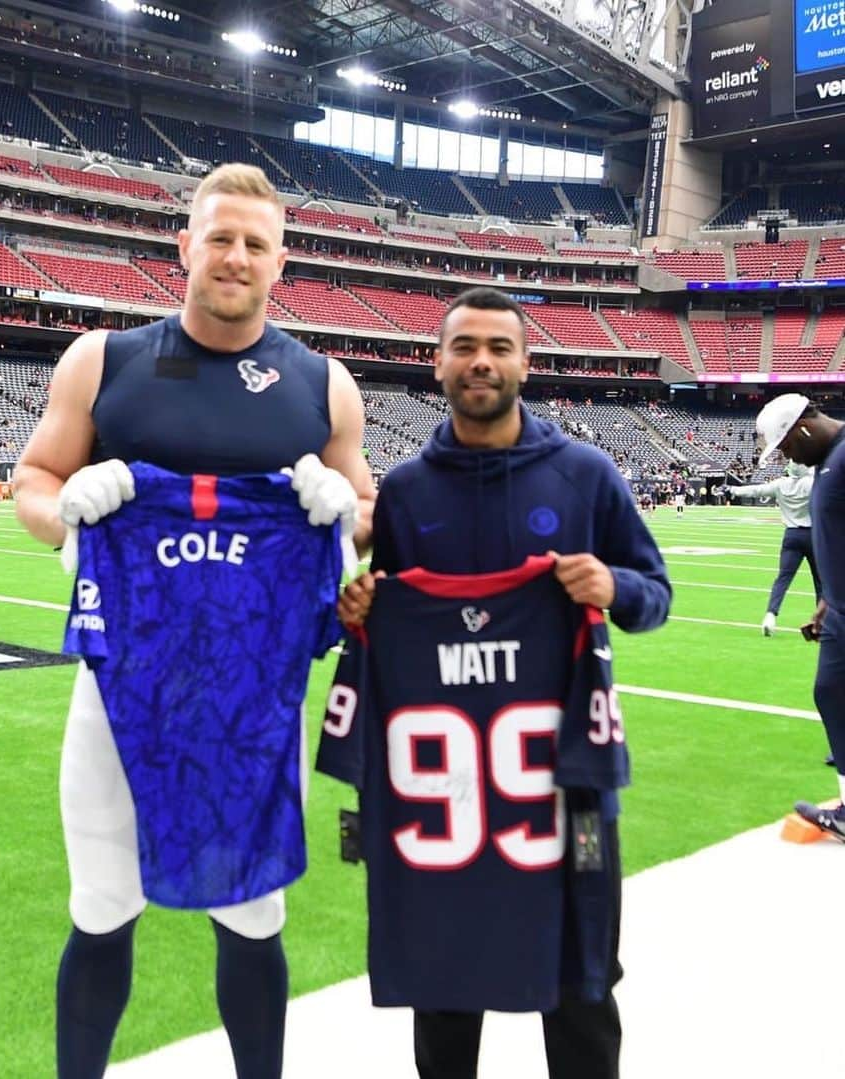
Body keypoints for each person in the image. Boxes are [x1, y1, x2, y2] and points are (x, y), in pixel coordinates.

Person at [13, 162, 375, 1079]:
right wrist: (68, 513)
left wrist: (341, 507)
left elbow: (367, 515)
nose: (236, 256)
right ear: (185, 245)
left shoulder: (323, 384)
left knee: (253, 913)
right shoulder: (104, 359)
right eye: (220, 236)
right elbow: (31, 479)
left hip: (255, 701)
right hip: (121, 689)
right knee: (100, 904)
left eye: (256, 243)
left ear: (281, 261)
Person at [332, 286, 671, 1079]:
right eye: (464, 347)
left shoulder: (586, 474)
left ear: (526, 361)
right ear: (438, 363)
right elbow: (380, 616)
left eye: (498, 347)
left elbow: (654, 595)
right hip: (446, 798)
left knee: (584, 981)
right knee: (444, 989)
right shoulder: (408, 491)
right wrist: (359, 607)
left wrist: (614, 589)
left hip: (570, 791)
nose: (481, 361)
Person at [752, 393, 845, 839]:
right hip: (840, 609)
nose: (786, 456)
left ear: (802, 427)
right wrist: (828, 601)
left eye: (785, 446)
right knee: (830, 692)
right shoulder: (826, 463)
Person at [715, 461, 820, 636]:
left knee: (783, 579)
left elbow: (756, 490)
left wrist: (732, 490)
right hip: (812, 535)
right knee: (820, 581)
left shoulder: (780, 484)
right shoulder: (812, 483)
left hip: (791, 534)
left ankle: (770, 615)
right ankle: (822, 621)